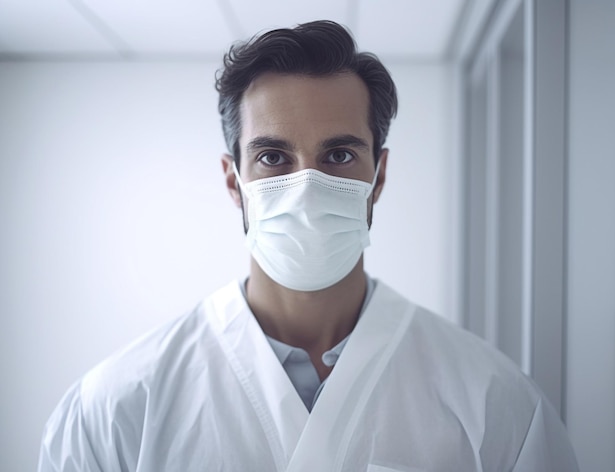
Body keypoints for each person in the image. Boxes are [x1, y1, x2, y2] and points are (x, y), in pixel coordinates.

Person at [38, 20, 579, 472]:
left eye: (339, 155)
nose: (306, 188)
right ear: (234, 182)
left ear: (379, 175)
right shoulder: (117, 409)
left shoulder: (494, 404)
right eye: (273, 158)